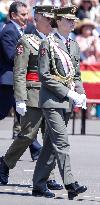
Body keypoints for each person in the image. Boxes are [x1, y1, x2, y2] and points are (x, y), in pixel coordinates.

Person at [0, 5, 63, 191]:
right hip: (32, 94)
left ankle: (47, 176)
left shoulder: (55, 41)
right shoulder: (27, 39)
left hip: (50, 95)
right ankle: (4, 163)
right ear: (38, 19)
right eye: (47, 18)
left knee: (50, 137)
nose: (52, 21)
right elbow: (19, 71)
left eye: (53, 18)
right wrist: (20, 98)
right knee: (27, 135)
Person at [32, 6, 87, 199]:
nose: (73, 22)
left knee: (50, 146)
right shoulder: (48, 43)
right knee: (62, 142)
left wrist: (81, 94)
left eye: (74, 20)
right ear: (58, 21)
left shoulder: (74, 45)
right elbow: (45, 75)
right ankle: (70, 183)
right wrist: (69, 94)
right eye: (68, 19)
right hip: (51, 101)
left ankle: (38, 184)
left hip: (67, 102)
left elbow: (76, 75)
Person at [0, 1, 42, 163]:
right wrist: (30, 55)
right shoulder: (8, 32)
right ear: (13, 16)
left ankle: (36, 151)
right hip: (8, 82)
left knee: (25, 120)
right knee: (4, 113)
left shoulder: (25, 30)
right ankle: (36, 150)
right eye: (23, 15)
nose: (26, 17)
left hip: (19, 82)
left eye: (27, 14)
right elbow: (11, 57)